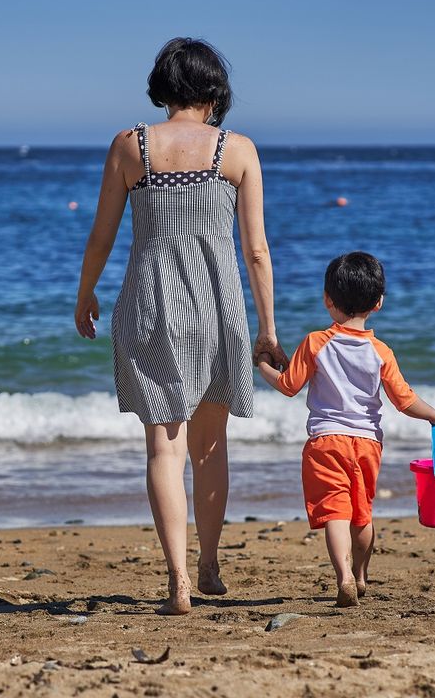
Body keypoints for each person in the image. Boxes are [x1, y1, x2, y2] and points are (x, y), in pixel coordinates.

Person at [75, 37, 288, 615]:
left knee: (161, 450)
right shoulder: (236, 150)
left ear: (163, 86)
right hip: (217, 309)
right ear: (215, 91)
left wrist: (84, 293)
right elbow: (258, 251)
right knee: (210, 447)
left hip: (149, 306)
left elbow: (102, 236)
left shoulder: (130, 146)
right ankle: (210, 565)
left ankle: (178, 581)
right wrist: (268, 327)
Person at [255, 251, 435, 607]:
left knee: (335, 512)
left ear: (328, 300)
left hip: (325, 442)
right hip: (367, 444)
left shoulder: (316, 342)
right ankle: (360, 575)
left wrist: (263, 366)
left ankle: (343, 577)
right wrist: (434, 415)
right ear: (378, 303)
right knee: (362, 514)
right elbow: (404, 401)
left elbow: (288, 386)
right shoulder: (381, 351)